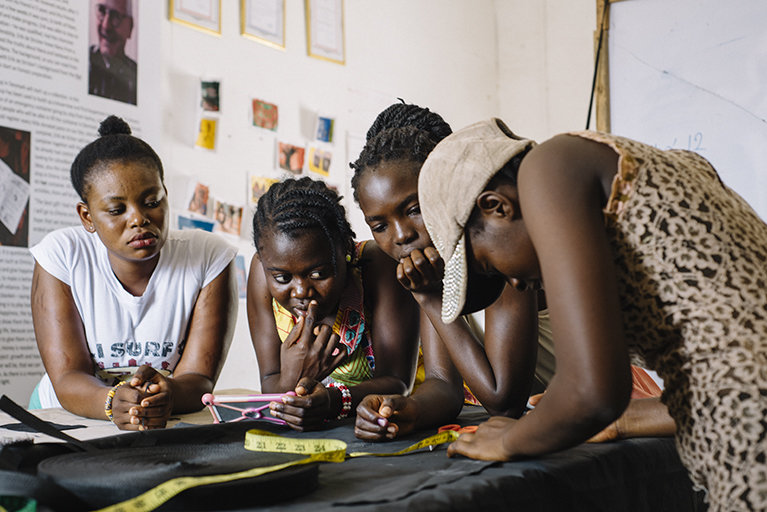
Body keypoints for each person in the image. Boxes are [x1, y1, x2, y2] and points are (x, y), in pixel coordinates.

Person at [419, 118, 765, 511]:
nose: (512, 283)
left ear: (497, 207)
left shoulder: (549, 168)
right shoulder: (642, 171)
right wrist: (622, 420)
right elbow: (714, 372)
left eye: (488, 265)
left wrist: (508, 440)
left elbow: (592, 393)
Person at [351, 102, 660, 441]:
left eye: (415, 209)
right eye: (379, 225)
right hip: (563, 418)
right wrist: (408, 409)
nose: (401, 236)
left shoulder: (501, 249)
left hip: (620, 405)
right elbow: (443, 383)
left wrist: (428, 297)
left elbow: (504, 400)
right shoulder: (431, 262)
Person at [29, 115, 238, 431]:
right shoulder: (61, 254)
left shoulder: (208, 256)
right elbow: (68, 376)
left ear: (165, 194)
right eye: (117, 210)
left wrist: (169, 394)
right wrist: (113, 401)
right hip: (64, 416)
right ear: (87, 216)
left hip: (159, 416)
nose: (139, 219)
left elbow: (199, 378)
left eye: (152, 201)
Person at [246, 176, 420, 431]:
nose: (302, 291)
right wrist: (295, 377)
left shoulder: (378, 265)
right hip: (327, 426)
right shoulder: (262, 273)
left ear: (346, 248)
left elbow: (398, 382)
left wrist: (333, 401)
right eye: (283, 278)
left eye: (318, 273)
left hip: (403, 416)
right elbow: (269, 382)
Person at [89, 0, 137, 105]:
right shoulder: (83, 63)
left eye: (116, 16)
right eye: (101, 11)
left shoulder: (137, 78)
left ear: (130, 27)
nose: (106, 26)